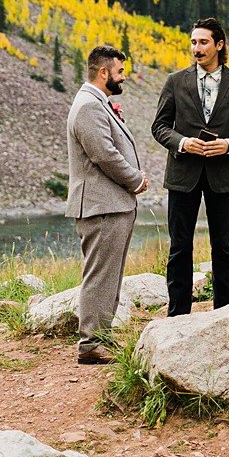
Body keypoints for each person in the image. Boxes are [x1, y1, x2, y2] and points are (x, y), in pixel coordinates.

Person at [152, 17, 229, 318]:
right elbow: (159, 127)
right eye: (193, 42)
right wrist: (183, 142)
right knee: (180, 247)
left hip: (222, 176)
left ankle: (225, 314)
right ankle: (178, 316)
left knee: (222, 247)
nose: (196, 48)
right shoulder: (175, 81)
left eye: (203, 42)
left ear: (218, 45)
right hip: (182, 175)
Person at [64, 43, 147, 365]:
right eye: (120, 71)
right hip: (101, 206)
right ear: (103, 72)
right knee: (100, 274)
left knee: (108, 274)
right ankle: (91, 344)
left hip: (109, 204)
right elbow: (103, 154)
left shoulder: (96, 102)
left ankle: (101, 337)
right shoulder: (88, 105)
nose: (123, 77)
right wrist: (135, 180)